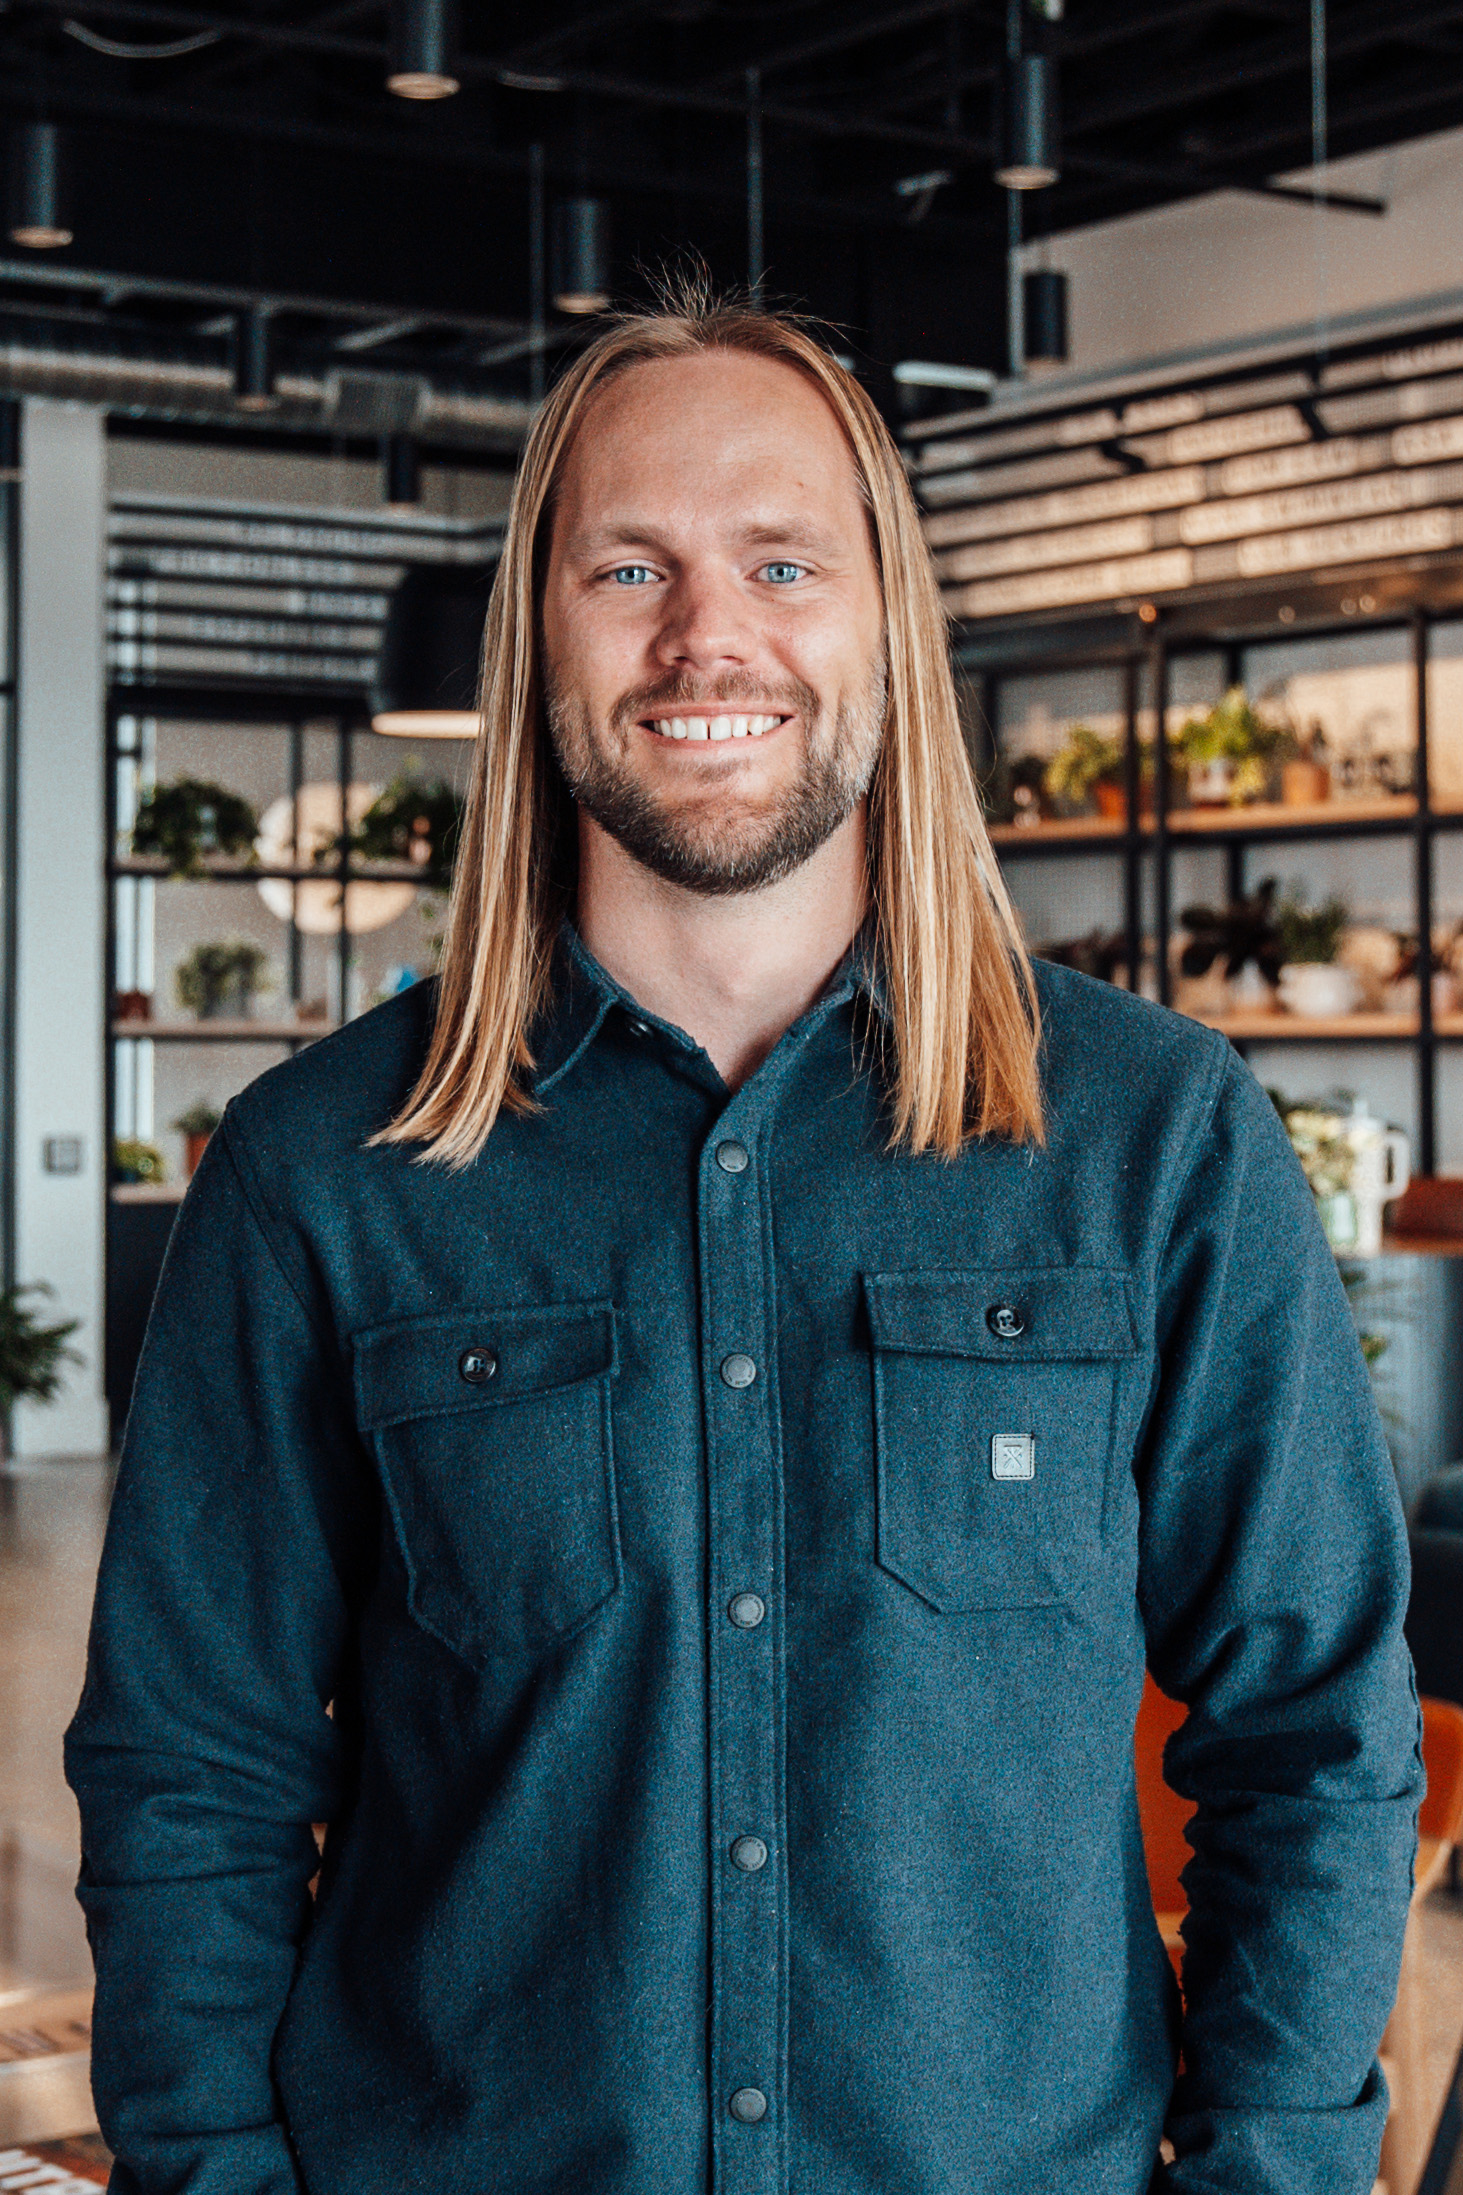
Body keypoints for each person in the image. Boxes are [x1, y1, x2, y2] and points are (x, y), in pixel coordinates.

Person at [68, 284, 1420, 2195]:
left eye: (783, 561)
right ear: (538, 636)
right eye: (631, 565)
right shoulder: (321, 1167)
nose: (711, 635)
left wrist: (1266, 2173)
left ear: (889, 624)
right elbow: (191, 1770)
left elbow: (1314, 1733)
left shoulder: (1157, 1137)